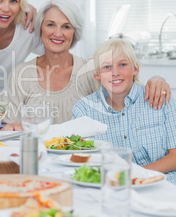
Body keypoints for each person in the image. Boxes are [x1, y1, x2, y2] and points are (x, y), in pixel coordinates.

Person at [3, 0, 170, 128]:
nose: (58, 33)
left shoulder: (92, 70)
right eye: (51, 25)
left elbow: (128, 98)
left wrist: (157, 80)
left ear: (75, 33)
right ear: (40, 29)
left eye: (66, 26)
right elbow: (11, 129)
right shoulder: (21, 74)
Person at [73, 38, 176, 183]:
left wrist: (134, 175)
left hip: (164, 184)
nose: (115, 72)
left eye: (122, 65)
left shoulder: (161, 99)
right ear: (97, 74)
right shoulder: (83, 110)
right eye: (107, 67)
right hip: (113, 186)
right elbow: (83, 160)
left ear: (135, 69)